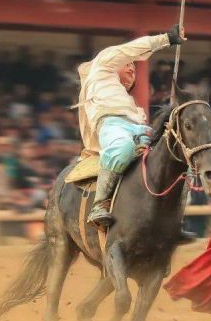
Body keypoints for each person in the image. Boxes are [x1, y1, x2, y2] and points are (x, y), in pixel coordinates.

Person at [75, 25, 189, 233]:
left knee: (173, 158)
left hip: (139, 129)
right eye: (127, 64)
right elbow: (131, 49)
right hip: (112, 126)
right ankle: (99, 204)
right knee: (122, 148)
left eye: (134, 68)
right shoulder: (103, 65)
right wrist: (166, 38)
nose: (131, 68)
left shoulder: (133, 107)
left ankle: (172, 219)